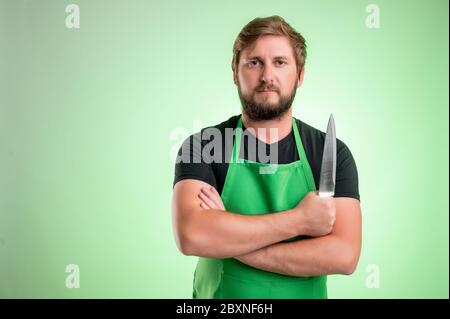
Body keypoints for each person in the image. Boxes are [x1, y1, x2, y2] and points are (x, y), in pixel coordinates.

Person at [171, 15, 361, 299]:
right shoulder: (203, 146)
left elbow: (344, 256)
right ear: (235, 71)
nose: (267, 76)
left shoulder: (330, 152)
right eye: (254, 62)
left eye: (280, 62)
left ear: (300, 75)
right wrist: (300, 220)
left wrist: (228, 238)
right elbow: (192, 236)